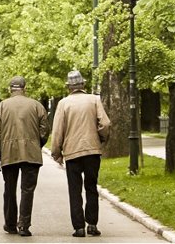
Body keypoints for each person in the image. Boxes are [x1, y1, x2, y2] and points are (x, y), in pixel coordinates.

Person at [51, 70, 111, 238]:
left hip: (72, 152)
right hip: (92, 151)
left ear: (69, 87)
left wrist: (57, 152)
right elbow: (105, 123)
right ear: (83, 85)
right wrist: (101, 138)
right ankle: (92, 224)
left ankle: (79, 228)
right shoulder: (94, 100)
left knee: (74, 189)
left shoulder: (63, 103)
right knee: (91, 186)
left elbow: (57, 131)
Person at [0, 76, 50, 237]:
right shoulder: (37, 106)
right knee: (27, 190)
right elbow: (44, 131)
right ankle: (24, 225)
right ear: (25, 88)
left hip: (9, 153)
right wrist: (36, 144)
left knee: (9, 189)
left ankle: (10, 224)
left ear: (10, 89)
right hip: (31, 153)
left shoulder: (1, 106)